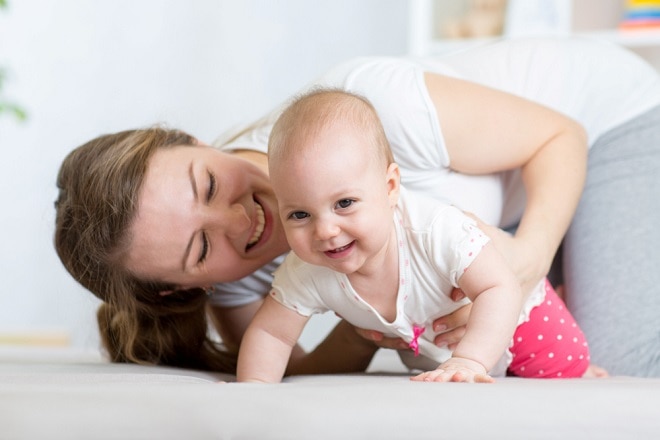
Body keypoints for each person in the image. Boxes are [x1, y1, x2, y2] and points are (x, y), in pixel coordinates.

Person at [54, 36, 660, 377]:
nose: (245, 221)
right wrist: (374, 327)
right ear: (181, 292)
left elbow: (562, 138)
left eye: (209, 185)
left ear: (194, 142)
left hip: (602, 125)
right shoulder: (240, 293)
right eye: (201, 248)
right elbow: (303, 368)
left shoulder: (372, 105)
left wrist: (526, 260)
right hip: (498, 213)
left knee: (619, 364)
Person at [237, 88, 597, 383]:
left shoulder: (433, 228)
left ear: (390, 187)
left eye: (345, 203)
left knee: (564, 364)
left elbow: (499, 287)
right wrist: (253, 388)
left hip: (513, 317)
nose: (325, 231)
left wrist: (470, 361)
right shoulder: (306, 270)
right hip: (436, 352)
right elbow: (273, 334)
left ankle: (583, 364)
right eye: (299, 214)